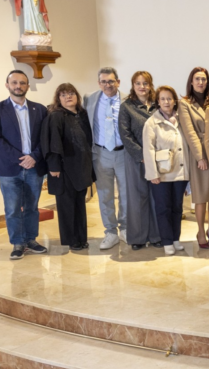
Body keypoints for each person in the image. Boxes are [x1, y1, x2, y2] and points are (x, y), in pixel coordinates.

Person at [0, 70, 49, 260]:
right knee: (12, 208)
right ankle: (17, 243)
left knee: (32, 207)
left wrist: (34, 156)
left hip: (34, 167)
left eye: (22, 83)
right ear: (7, 85)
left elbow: (45, 138)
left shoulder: (40, 109)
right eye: (14, 83)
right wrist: (21, 158)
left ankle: (31, 240)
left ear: (27, 86)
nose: (18, 86)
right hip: (9, 168)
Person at [42, 83, 93, 251]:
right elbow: (52, 142)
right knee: (66, 206)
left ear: (77, 96)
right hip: (63, 169)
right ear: (58, 99)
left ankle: (81, 238)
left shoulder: (82, 114)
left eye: (71, 93)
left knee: (80, 204)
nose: (68, 97)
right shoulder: (56, 116)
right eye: (63, 95)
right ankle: (71, 240)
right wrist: (54, 166)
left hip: (81, 167)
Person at [83, 67, 127, 250]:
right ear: (99, 83)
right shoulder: (90, 99)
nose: (107, 85)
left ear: (118, 82)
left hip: (124, 153)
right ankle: (110, 232)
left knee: (126, 194)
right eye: (104, 81)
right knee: (105, 195)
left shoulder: (127, 100)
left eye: (111, 81)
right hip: (101, 154)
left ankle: (125, 228)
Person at [142, 86, 189, 256]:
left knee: (177, 208)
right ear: (158, 102)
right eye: (163, 99)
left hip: (180, 172)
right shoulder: (151, 123)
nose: (166, 102)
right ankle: (167, 240)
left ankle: (176, 238)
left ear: (174, 100)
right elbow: (148, 150)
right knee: (163, 208)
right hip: (161, 174)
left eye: (169, 98)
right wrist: (152, 174)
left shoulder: (182, 119)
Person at [118, 71, 162, 251]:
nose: (142, 87)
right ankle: (137, 237)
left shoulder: (158, 104)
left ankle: (157, 236)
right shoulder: (127, 106)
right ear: (133, 85)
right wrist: (142, 155)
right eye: (138, 83)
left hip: (158, 158)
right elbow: (125, 134)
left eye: (145, 83)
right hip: (136, 159)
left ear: (150, 85)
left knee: (156, 197)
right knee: (137, 198)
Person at [177, 67, 209, 249]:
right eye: (197, 79)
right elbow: (190, 132)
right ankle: (200, 230)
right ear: (191, 82)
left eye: (204, 79)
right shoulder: (184, 103)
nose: (201, 82)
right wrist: (200, 157)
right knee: (201, 196)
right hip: (198, 155)